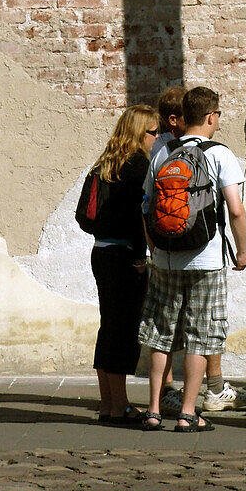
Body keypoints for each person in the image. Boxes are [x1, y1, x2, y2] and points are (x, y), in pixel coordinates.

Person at [139, 86, 246, 432]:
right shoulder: (220, 154)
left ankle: (154, 410)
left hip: (167, 259)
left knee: (161, 334)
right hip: (206, 259)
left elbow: (145, 206)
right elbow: (234, 208)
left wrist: (154, 247)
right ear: (212, 116)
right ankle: (188, 413)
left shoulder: (162, 153)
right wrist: (242, 249)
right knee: (202, 334)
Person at [88, 103, 159, 425]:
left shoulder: (103, 164)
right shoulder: (138, 167)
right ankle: (120, 407)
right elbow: (139, 217)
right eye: (154, 132)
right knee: (123, 332)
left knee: (109, 327)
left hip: (101, 252)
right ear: (139, 132)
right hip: (125, 255)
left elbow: (84, 217)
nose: (156, 139)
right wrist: (139, 258)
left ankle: (107, 404)